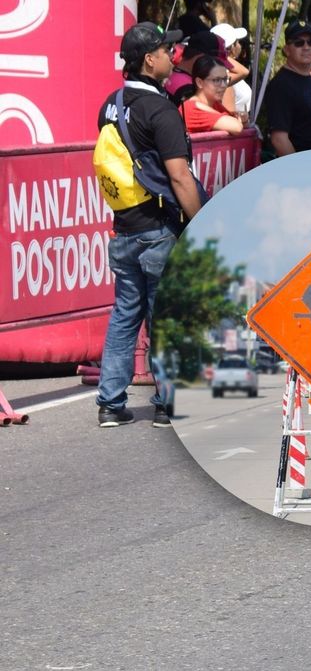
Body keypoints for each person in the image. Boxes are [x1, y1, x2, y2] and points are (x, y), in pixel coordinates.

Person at [96, 22, 203, 428]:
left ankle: (110, 403)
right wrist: (200, 220)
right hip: (160, 228)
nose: (172, 56)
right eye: (165, 50)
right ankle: (166, 404)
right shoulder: (160, 110)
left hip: (124, 227)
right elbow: (179, 176)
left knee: (125, 314)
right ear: (148, 60)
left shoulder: (111, 103)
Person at [263, 19, 311, 156]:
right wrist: (298, 173)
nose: (306, 47)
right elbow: (279, 139)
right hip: (304, 171)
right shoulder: (280, 86)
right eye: (299, 43)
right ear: (286, 49)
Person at [179, 55, 244, 134]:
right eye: (217, 80)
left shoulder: (214, 103)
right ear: (199, 82)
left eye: (225, 79)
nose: (223, 85)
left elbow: (238, 120)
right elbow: (236, 127)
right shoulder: (190, 109)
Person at [210, 23, 252, 122]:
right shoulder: (223, 75)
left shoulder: (227, 71)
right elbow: (229, 117)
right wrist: (244, 120)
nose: (239, 45)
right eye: (237, 42)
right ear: (230, 49)